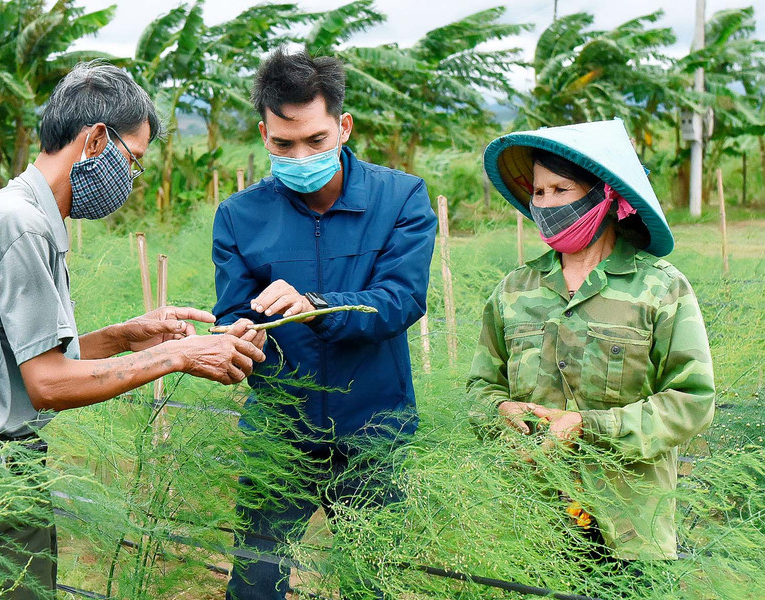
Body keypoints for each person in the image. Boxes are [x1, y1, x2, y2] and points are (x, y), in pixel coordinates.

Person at [0, 61, 266, 599]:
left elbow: (29, 357)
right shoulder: (21, 224)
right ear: (96, 139)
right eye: (133, 161)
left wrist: (125, 336)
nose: (130, 179)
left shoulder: (23, 213)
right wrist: (179, 357)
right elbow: (49, 383)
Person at [212, 48, 437, 599]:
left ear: (343, 126)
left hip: (372, 432)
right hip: (279, 435)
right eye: (283, 143)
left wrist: (314, 304)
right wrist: (237, 340)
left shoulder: (400, 198)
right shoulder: (239, 216)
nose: (300, 154)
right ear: (264, 134)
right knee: (255, 582)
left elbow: (400, 299)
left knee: (370, 580)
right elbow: (233, 313)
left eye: (315, 140)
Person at [469, 119, 716, 564]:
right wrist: (498, 411)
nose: (546, 204)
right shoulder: (514, 290)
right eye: (539, 193)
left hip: (630, 524)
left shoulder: (660, 289)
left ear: (605, 196)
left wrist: (589, 426)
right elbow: (480, 388)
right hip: (533, 522)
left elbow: (691, 400)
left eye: (561, 190)